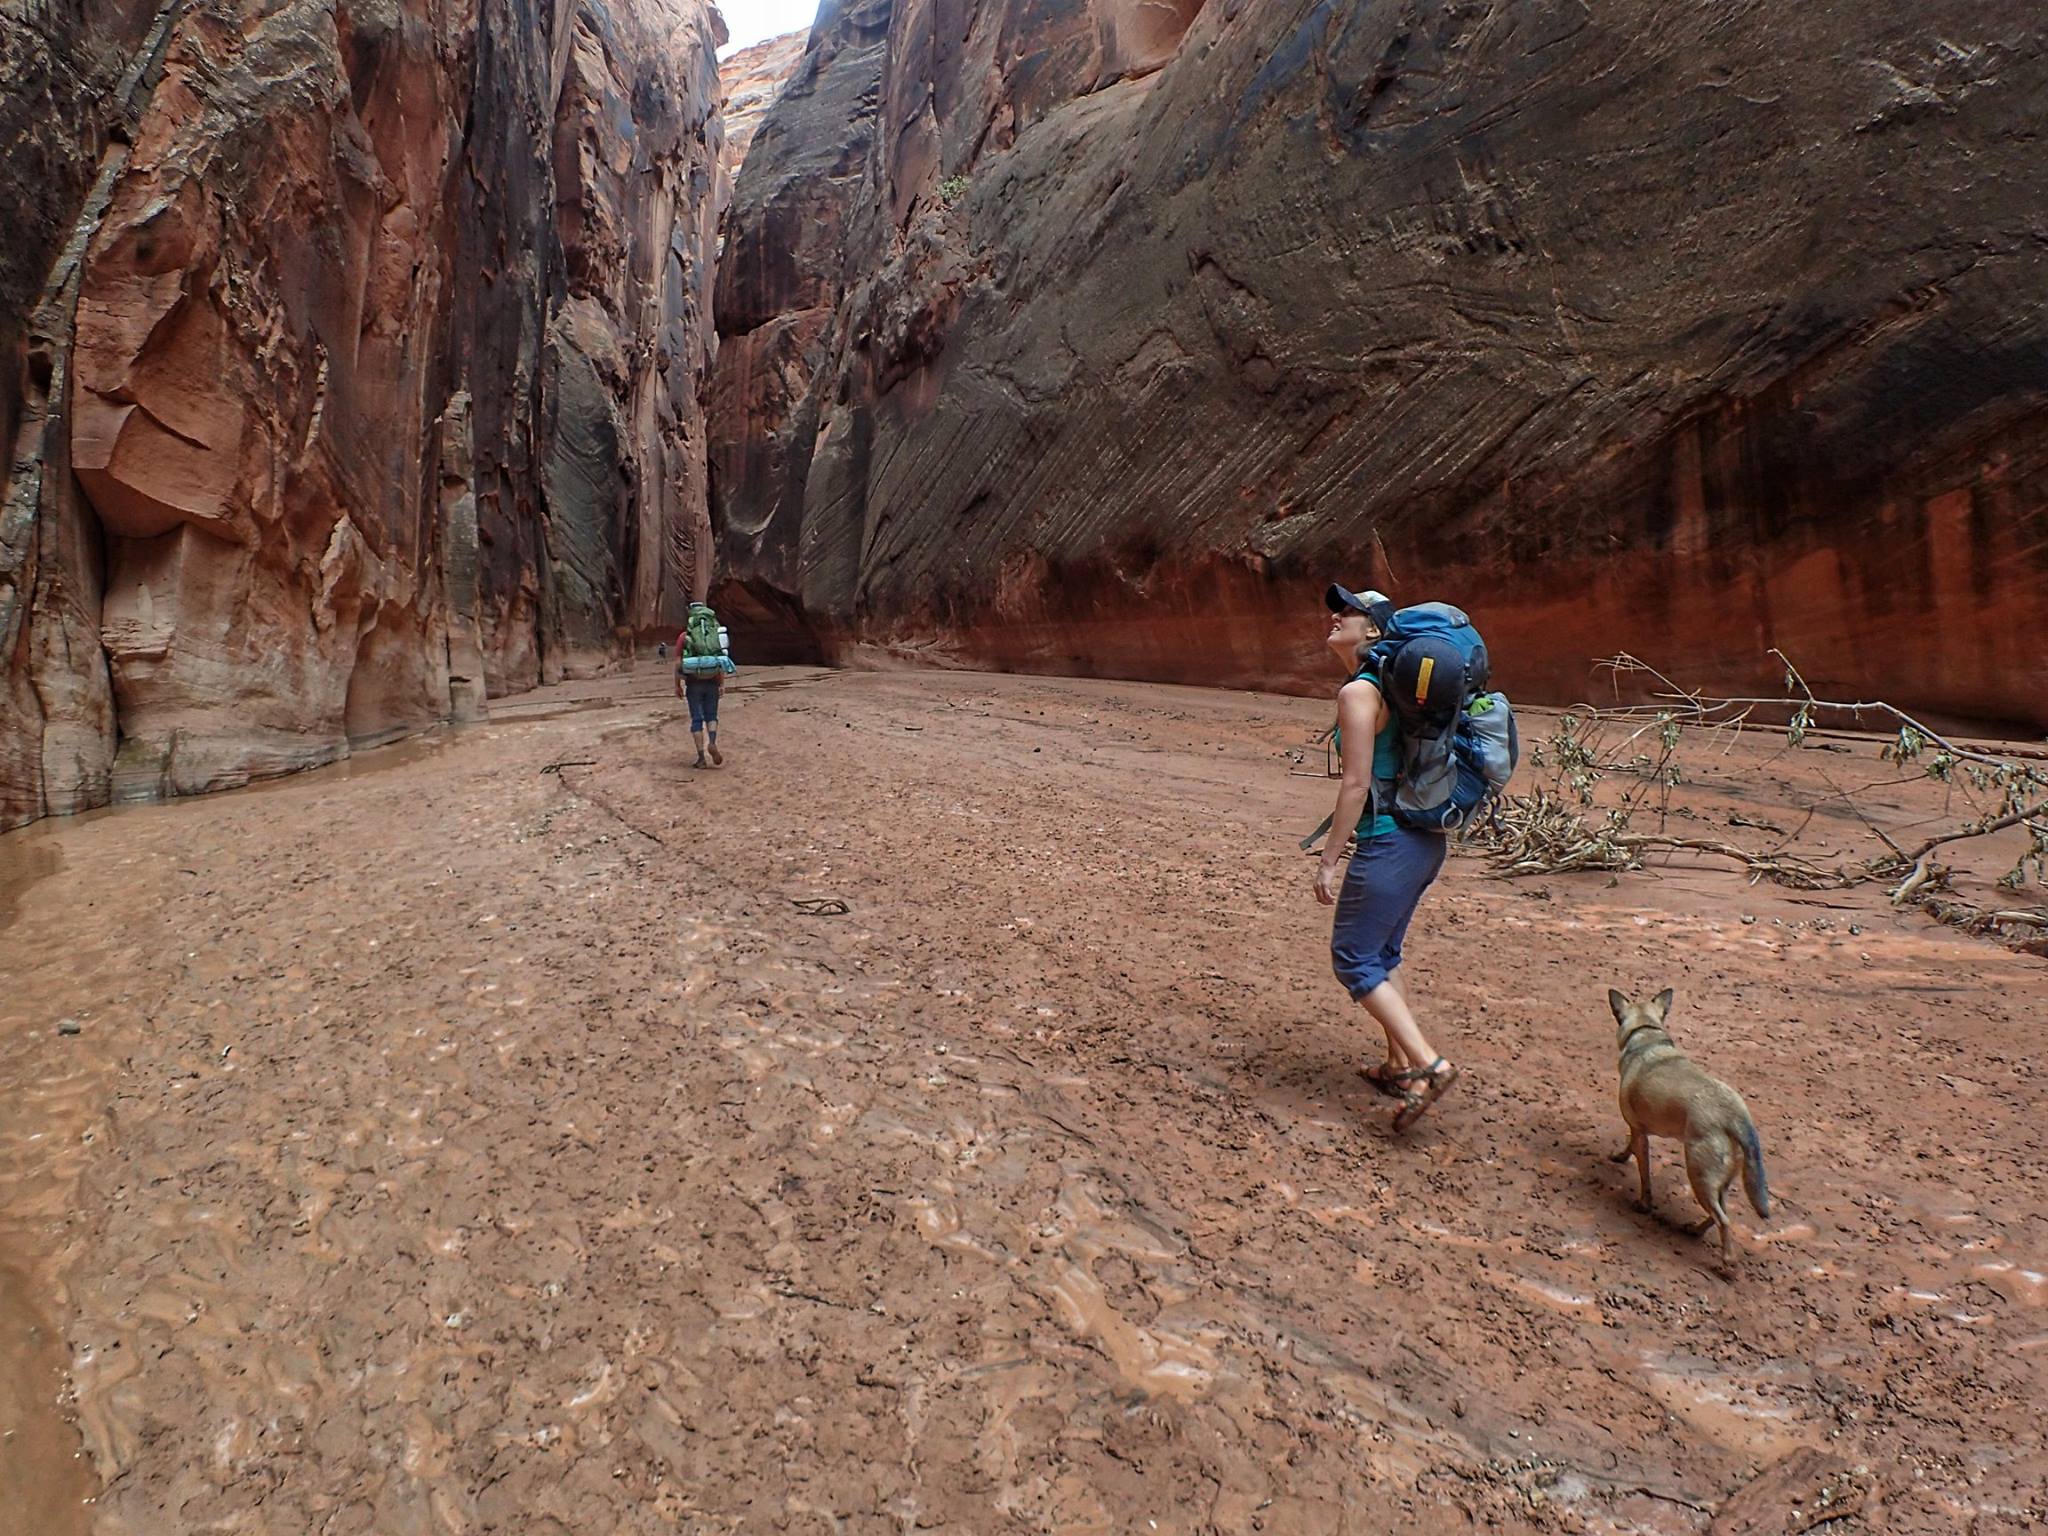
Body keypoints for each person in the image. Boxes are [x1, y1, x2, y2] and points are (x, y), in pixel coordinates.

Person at [1315, 583, 1458, 1130]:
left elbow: (1355, 786)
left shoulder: (1359, 695)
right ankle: (1401, 1067)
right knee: (1384, 953)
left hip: (1389, 840)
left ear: (1373, 630)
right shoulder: (1391, 690)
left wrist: (1330, 859)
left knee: (1353, 957)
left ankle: (1430, 1063)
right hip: (1424, 840)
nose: (1335, 617)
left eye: (1348, 612)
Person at [674, 601, 735, 768]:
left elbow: (678, 663)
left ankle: (701, 758)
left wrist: (677, 684)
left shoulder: (684, 636)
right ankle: (713, 742)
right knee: (711, 716)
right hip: (712, 682)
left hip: (693, 683)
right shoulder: (714, 635)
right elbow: (720, 661)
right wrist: (721, 684)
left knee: (696, 719)